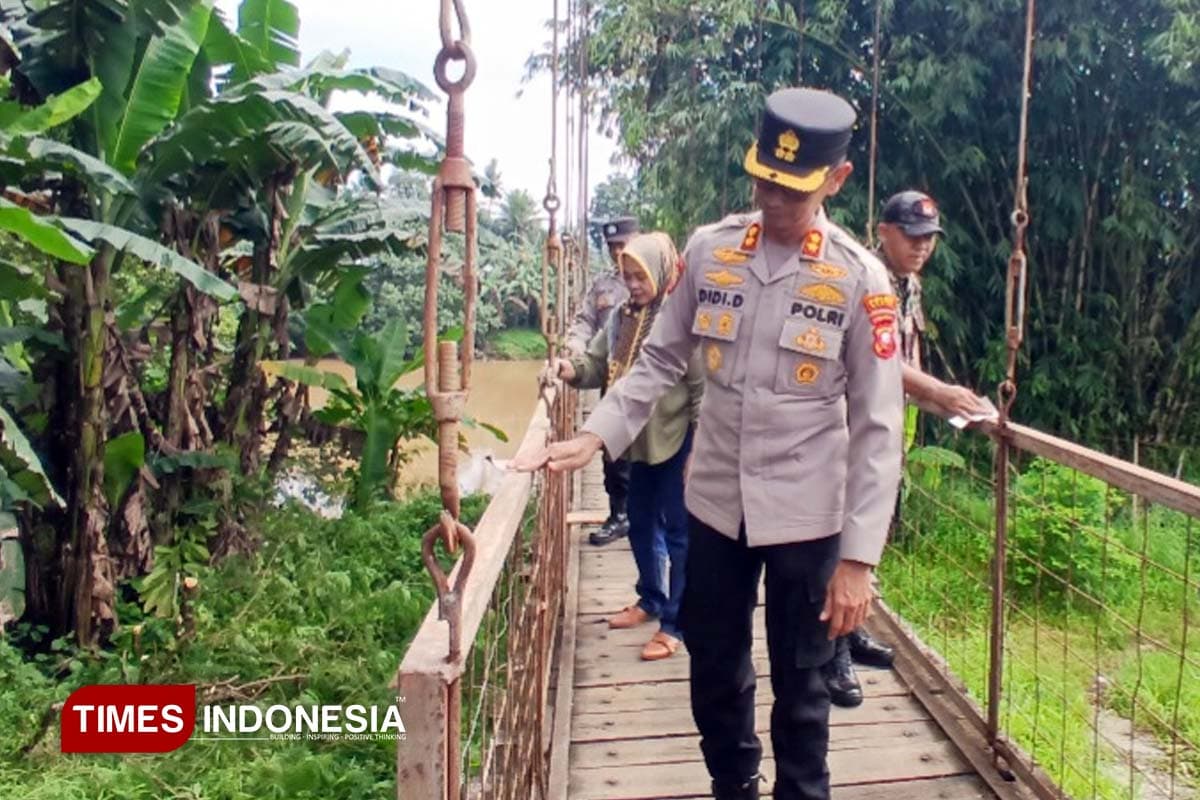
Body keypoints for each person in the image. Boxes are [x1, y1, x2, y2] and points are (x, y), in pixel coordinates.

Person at [515, 87, 904, 800]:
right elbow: (659, 359)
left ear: (836, 180)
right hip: (717, 504)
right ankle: (735, 784)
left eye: (792, 190)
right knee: (714, 668)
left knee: (804, 685)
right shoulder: (711, 250)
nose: (773, 200)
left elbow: (879, 426)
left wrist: (858, 560)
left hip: (809, 515)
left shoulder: (859, 280)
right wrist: (597, 435)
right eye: (763, 182)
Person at [821, 190, 993, 708]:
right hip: (848, 430)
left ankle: (851, 631)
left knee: (869, 534)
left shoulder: (908, 285)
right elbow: (872, 358)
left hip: (886, 428)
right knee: (840, 540)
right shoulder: (862, 278)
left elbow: (902, 356)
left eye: (929, 239)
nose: (922, 247)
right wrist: (938, 390)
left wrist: (944, 402)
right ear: (884, 232)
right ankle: (831, 654)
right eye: (912, 236)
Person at [548, 232, 703, 660]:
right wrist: (565, 368)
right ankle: (651, 598)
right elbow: (597, 364)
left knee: (679, 531)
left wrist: (698, 449)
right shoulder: (620, 317)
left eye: (640, 276)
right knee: (638, 521)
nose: (632, 284)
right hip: (635, 442)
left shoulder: (679, 318)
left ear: (661, 272)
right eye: (627, 276)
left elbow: (700, 389)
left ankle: (675, 622)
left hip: (674, 438)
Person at [566, 216, 637, 547]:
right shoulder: (602, 286)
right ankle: (619, 515)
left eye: (623, 245)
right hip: (612, 377)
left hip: (653, 380)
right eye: (612, 247)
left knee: (652, 452)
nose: (617, 252)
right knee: (613, 449)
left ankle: (647, 516)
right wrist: (574, 349)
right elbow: (584, 321)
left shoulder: (660, 278)